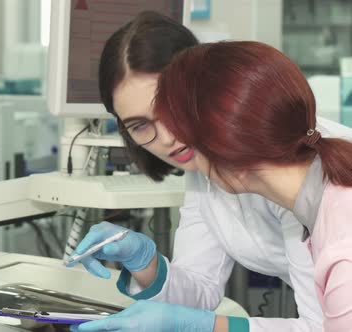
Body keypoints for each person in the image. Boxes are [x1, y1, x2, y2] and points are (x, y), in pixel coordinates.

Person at [67, 11, 352, 332]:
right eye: (140, 125)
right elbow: (200, 288)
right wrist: (145, 264)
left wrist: (201, 326)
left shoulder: (308, 188)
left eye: (169, 111)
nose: (168, 137)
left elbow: (321, 327)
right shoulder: (205, 170)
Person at [151, 40, 352, 331]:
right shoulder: (327, 203)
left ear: (224, 149)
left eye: (187, 143)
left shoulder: (342, 249)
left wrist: (204, 326)